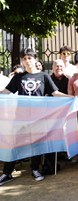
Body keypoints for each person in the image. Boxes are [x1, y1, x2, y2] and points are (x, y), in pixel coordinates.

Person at [0, 48, 70, 186]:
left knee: (36, 144)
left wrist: (71, 98)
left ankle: (35, 169)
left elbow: (55, 93)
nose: (27, 61)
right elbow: (6, 92)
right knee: (15, 143)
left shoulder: (44, 76)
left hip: (39, 117)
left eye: (30, 58)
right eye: (24, 58)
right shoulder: (19, 77)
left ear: (35, 59)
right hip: (20, 117)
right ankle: (7, 172)